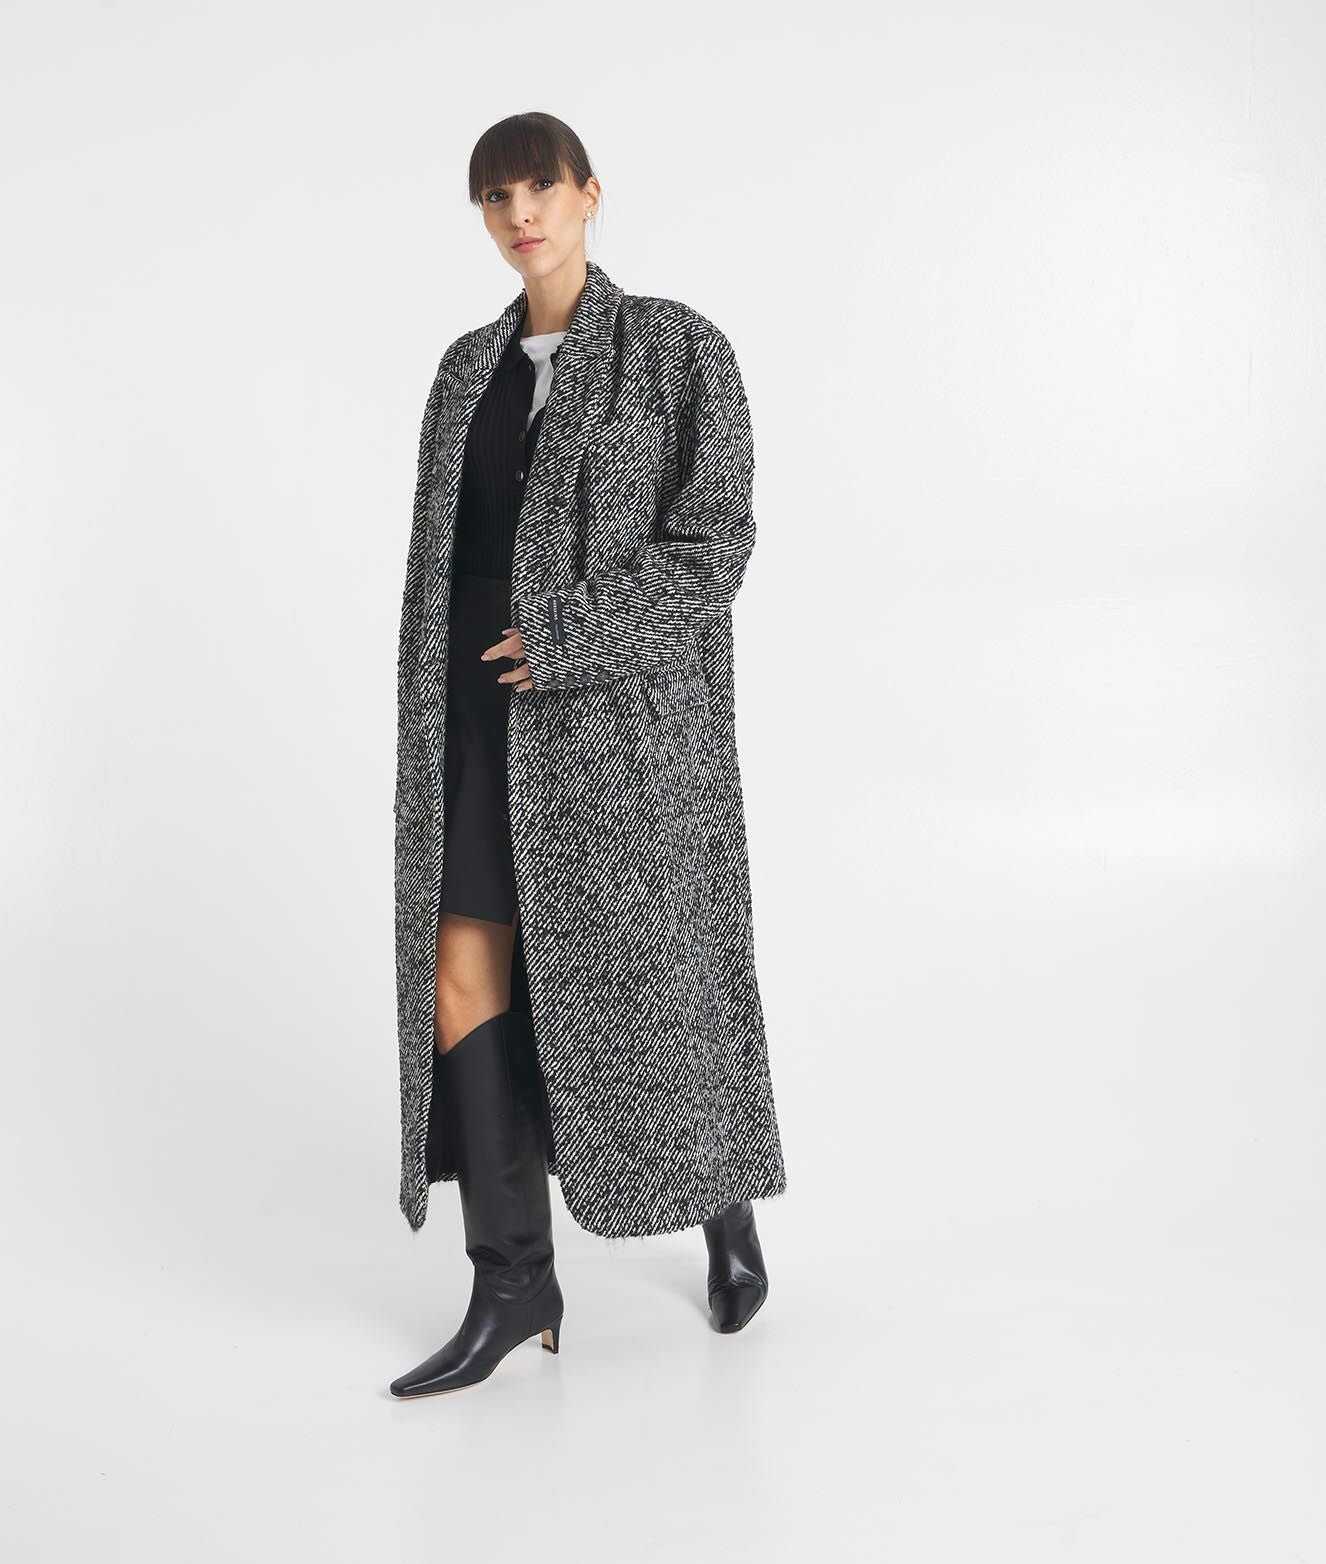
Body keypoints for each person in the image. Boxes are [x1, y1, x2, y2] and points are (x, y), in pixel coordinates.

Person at [389, 112, 786, 1400]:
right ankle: (514, 1283)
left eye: (539, 189)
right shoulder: (465, 368)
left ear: (589, 194)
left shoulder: (677, 347)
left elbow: (713, 545)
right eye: (495, 198)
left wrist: (570, 639)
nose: (520, 216)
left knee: (661, 987)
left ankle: (719, 1197)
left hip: (623, 734)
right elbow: (441, 562)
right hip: (474, 721)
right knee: (462, 974)